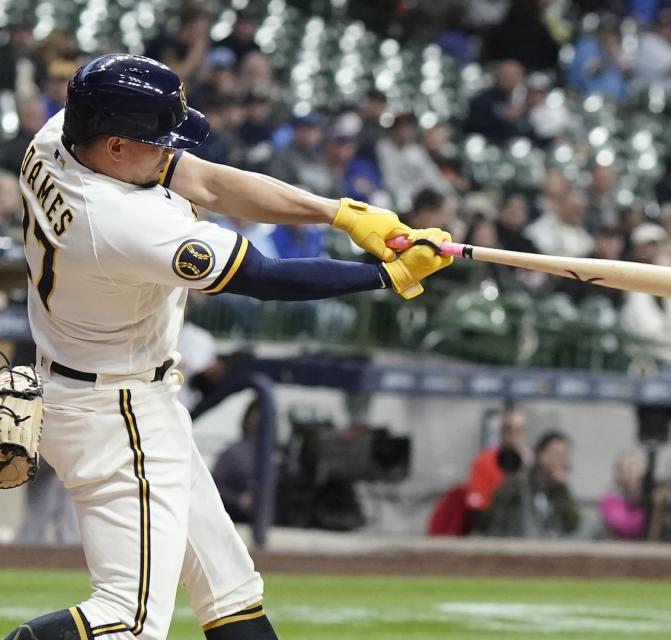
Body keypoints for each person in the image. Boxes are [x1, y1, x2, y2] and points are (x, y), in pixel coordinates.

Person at [4, 53, 452, 640]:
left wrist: (340, 213)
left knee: (230, 592)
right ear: (114, 145)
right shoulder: (119, 221)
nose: (168, 151)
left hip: (110, 392)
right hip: (114, 412)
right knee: (126, 621)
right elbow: (265, 279)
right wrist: (383, 276)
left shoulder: (59, 137)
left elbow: (207, 180)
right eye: (156, 140)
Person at [485, 430, 580, 538]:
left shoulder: (560, 490)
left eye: (564, 456)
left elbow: (572, 525)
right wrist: (518, 476)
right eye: (556, 454)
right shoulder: (521, 481)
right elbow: (496, 510)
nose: (560, 461)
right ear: (540, 453)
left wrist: (562, 489)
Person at [465, 407, 531, 516]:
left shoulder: (532, 461)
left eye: (519, 430)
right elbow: (477, 509)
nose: (513, 435)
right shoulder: (483, 461)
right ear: (500, 432)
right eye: (508, 429)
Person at [212, 401, 263, 523]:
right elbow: (214, 487)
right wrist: (238, 500)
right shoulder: (233, 452)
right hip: (236, 522)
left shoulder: (276, 455)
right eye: (256, 415)